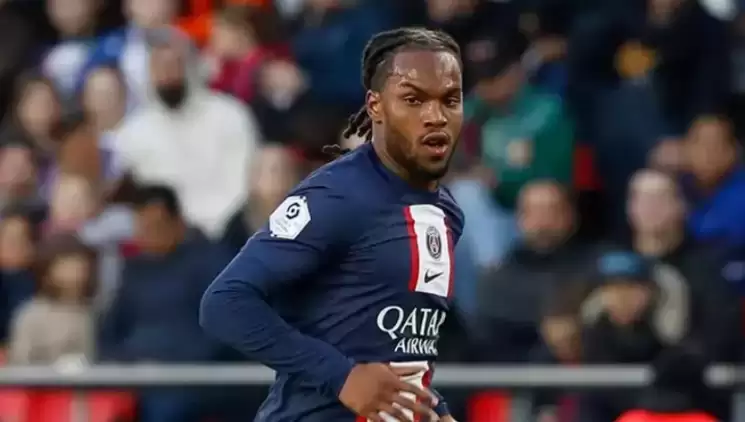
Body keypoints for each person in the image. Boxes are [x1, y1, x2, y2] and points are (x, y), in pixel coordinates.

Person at [200, 27, 464, 422]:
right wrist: (341, 377)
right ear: (376, 106)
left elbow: (402, 346)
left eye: (450, 100)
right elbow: (224, 302)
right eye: (413, 100)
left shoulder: (447, 214)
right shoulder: (337, 194)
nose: (436, 116)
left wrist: (435, 409)